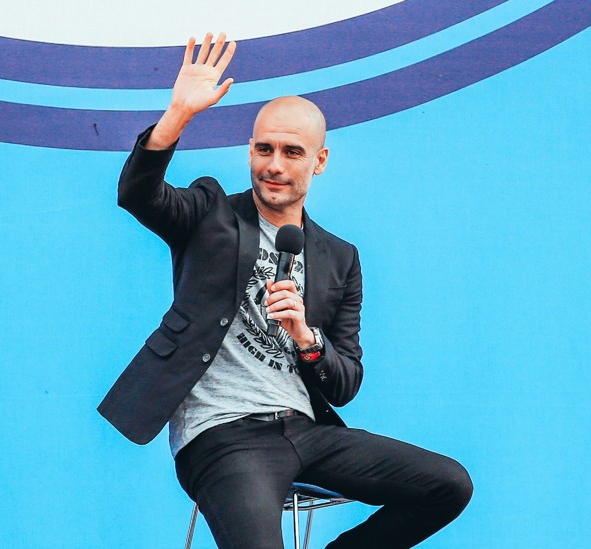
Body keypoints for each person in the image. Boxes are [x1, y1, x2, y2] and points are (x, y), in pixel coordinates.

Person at [97, 33, 472, 548]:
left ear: (318, 161)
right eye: (263, 148)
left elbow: (344, 383)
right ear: (249, 150)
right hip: (221, 434)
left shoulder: (340, 258)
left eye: (292, 152)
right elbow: (137, 194)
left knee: (448, 485)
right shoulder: (208, 213)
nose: (274, 165)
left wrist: (307, 338)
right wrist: (177, 115)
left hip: (306, 430)